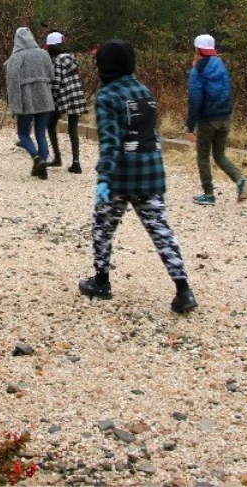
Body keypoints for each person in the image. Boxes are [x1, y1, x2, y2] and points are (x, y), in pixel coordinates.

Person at [80, 40, 198, 314]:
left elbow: (110, 141)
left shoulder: (107, 96)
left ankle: (101, 281)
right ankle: (183, 289)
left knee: (103, 228)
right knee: (160, 230)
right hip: (150, 175)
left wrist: (104, 178)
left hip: (120, 177)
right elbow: (152, 135)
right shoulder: (144, 91)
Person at [186, 34, 247, 206]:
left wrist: (190, 127)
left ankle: (208, 194)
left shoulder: (197, 71)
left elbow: (195, 100)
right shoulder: (221, 65)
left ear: (198, 50)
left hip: (207, 120)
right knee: (219, 155)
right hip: (225, 118)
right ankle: (240, 180)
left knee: (203, 156)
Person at [4, 27, 55, 179]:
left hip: (26, 99)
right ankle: (43, 164)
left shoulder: (16, 58)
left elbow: (12, 84)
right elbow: (51, 75)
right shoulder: (44, 54)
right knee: (41, 133)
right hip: (45, 97)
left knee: (23, 133)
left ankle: (36, 158)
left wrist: (15, 106)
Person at [45, 31, 89, 173]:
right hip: (76, 96)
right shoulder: (71, 58)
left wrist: (50, 98)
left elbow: (56, 83)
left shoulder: (57, 61)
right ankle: (76, 162)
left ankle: (57, 157)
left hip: (62, 98)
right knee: (73, 129)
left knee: (50, 125)